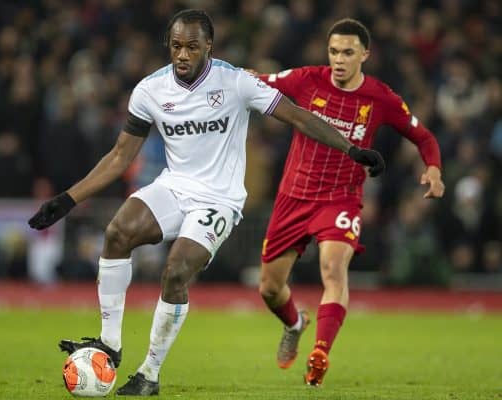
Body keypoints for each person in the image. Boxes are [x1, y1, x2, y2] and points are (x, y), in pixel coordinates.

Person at [28, 10, 384, 396]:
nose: (182, 54)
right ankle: (109, 344)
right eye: (176, 46)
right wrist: (67, 200)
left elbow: (298, 117)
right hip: (174, 186)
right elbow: (119, 157)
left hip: (220, 199)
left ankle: (150, 372)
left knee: (176, 271)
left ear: (208, 48)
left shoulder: (236, 83)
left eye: (192, 47)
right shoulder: (150, 90)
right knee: (117, 232)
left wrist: (351, 149)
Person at [253, 18, 445, 386]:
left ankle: (320, 353)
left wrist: (433, 170)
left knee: (332, 269)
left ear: (365, 55)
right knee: (270, 288)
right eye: (334, 52)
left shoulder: (381, 98)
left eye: (348, 53)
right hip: (293, 197)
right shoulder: (307, 79)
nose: (339, 60)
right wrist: (233, 73)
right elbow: (257, 82)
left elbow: (423, 136)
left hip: (340, 199)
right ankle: (296, 323)